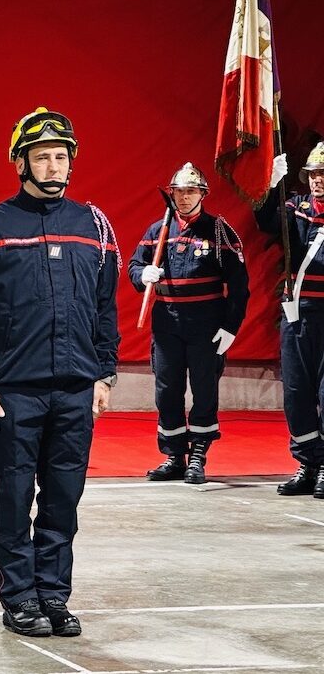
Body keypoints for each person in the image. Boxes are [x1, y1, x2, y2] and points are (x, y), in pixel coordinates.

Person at [0, 107, 120, 637]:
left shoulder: (92, 226)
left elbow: (105, 306)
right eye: (42, 157)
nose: (53, 166)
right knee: (15, 495)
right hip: (12, 392)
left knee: (64, 498)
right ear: (20, 163)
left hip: (75, 387)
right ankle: (20, 597)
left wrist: (104, 373)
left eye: (60, 156)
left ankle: (54, 594)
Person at [128, 163, 249, 484]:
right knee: (167, 390)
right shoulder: (158, 231)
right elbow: (134, 264)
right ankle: (174, 455)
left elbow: (239, 286)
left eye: (190, 191)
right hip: (167, 323)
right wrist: (142, 274)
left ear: (202, 194)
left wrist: (231, 327)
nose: (183, 198)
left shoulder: (219, 231)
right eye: (179, 192)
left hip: (206, 325)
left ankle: (198, 455)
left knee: (204, 389)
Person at [257, 144, 324, 497]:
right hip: (298, 314)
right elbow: (266, 222)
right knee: (297, 393)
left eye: (322, 174)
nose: (317, 180)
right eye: (313, 174)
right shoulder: (296, 207)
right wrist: (272, 185)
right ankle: (308, 463)